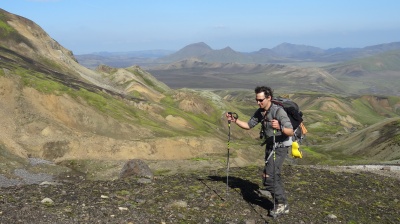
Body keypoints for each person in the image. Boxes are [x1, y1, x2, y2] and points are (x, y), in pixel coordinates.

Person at [226, 86, 293, 217]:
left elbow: (290, 131)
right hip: (270, 145)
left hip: (280, 146)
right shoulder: (260, 112)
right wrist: (235, 121)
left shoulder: (278, 111)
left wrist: (280, 127)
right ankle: (281, 203)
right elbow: (248, 125)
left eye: (261, 100)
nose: (258, 103)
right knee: (274, 175)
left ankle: (281, 204)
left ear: (269, 98)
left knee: (268, 178)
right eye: (257, 100)